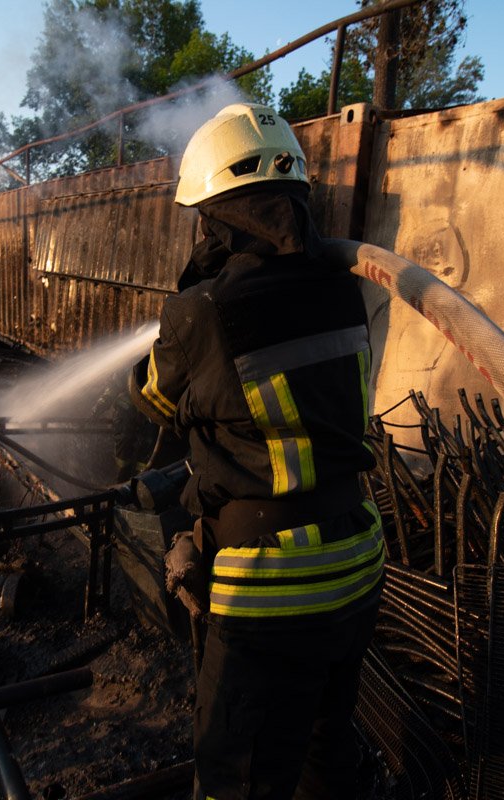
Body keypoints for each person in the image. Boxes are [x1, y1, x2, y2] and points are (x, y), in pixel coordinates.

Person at [128, 103, 385, 799]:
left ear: (214, 217)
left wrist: (184, 312)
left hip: (273, 588)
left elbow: (153, 400)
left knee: (236, 774)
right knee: (325, 752)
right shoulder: (344, 289)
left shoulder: (200, 311)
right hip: (357, 563)